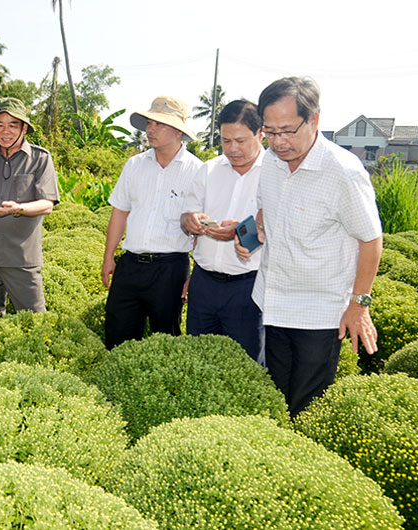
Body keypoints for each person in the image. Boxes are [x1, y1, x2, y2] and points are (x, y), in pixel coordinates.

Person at [236, 77, 382, 418]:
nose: (278, 142)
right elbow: (267, 209)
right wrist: (257, 230)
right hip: (276, 303)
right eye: (269, 132)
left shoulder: (342, 172)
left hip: (319, 314)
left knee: (305, 406)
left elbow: (371, 240)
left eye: (287, 130)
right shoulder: (271, 162)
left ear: (314, 120)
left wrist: (359, 306)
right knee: (275, 396)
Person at [101, 96, 203, 349]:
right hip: (130, 266)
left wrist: (196, 273)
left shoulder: (197, 171)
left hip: (170, 270)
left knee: (165, 342)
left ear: (178, 131)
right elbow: (119, 213)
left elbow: (202, 229)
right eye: (149, 123)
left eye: (158, 124)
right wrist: (108, 257)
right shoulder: (134, 165)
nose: (149, 129)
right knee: (117, 336)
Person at [0, 97, 59, 323]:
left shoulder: (39, 159)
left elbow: (47, 204)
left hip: (22, 258)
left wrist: (18, 209)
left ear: (24, 127)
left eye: (13, 124)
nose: (5, 131)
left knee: (34, 322)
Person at [181, 99, 265, 362]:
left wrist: (240, 232)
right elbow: (185, 215)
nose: (233, 149)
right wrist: (191, 220)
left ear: (260, 134)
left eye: (240, 141)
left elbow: (275, 229)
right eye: (226, 141)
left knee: (245, 366)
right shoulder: (209, 169)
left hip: (248, 287)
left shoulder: (276, 173)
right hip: (204, 283)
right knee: (198, 360)